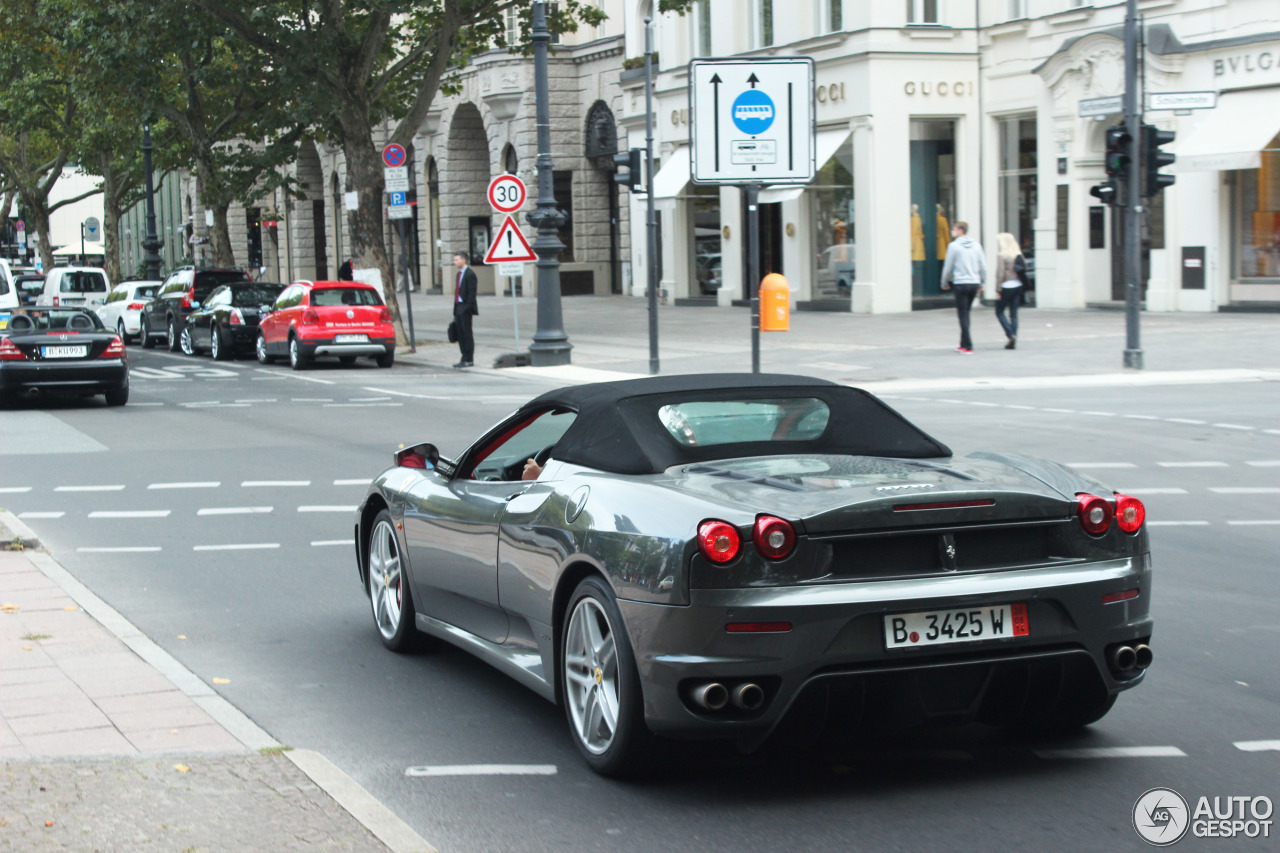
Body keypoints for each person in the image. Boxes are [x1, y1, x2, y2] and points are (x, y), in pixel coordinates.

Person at [939, 220, 986, 354]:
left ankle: (968, 346)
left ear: (960, 230)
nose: (951, 232)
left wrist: (944, 282)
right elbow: (983, 266)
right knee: (966, 313)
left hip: (960, 283)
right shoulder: (977, 246)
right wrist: (982, 282)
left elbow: (948, 266)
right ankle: (963, 344)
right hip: (974, 282)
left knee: (963, 314)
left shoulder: (954, 246)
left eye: (953, 229)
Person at [994, 232, 1026, 350]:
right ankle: (1014, 336)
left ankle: (1010, 335)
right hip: (1018, 285)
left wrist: (998, 289)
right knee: (1013, 314)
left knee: (999, 311)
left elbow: (1000, 273)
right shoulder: (1019, 254)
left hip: (1006, 286)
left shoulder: (1002, 255)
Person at [451, 251, 478, 368]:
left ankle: (469, 359)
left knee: (467, 333)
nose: (455, 262)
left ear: (464, 260)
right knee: (460, 334)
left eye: (457, 260)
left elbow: (472, 293)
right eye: (454, 260)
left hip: (465, 307)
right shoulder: (459, 274)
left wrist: (467, 307)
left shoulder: (470, 274)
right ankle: (463, 357)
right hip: (458, 306)